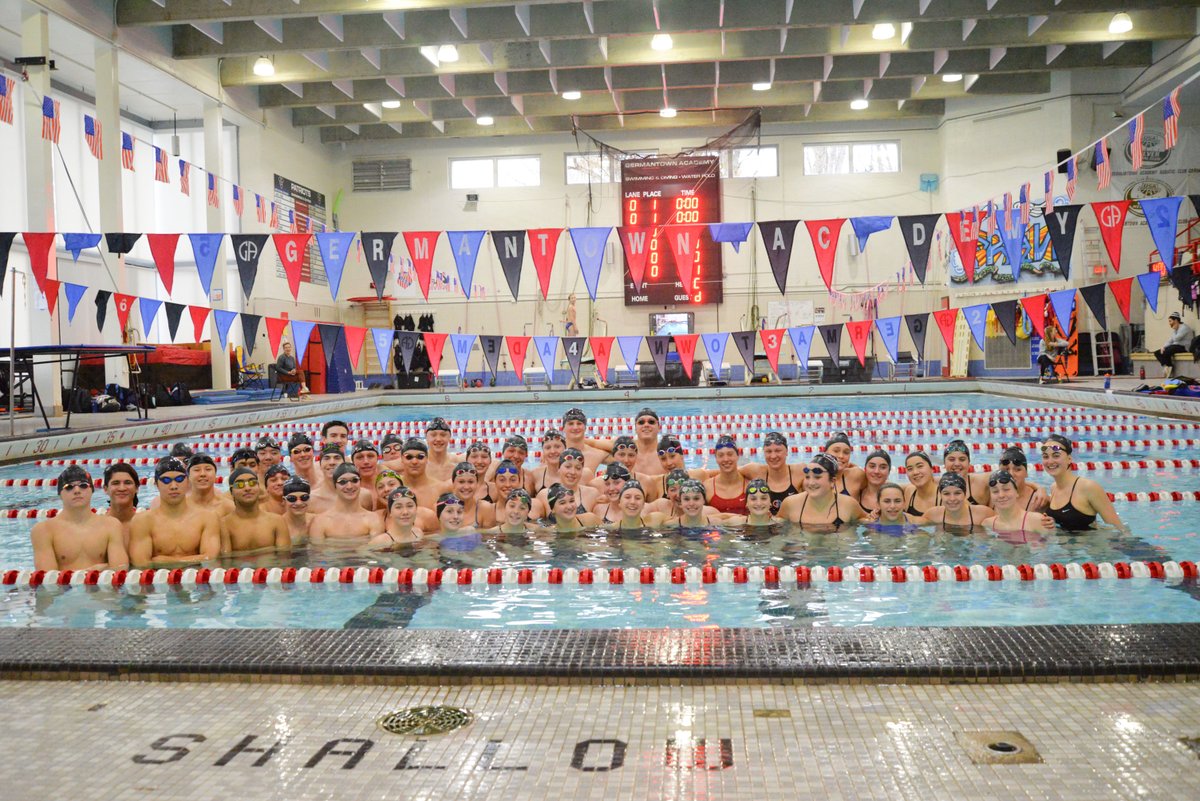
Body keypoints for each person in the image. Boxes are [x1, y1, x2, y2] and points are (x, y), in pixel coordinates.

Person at [31, 466, 128, 571]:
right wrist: (99, 569)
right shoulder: (43, 530)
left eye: (83, 485)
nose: (77, 490)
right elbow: (47, 578)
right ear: (60, 494)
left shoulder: (111, 525)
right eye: (69, 487)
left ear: (92, 490)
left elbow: (121, 570)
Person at [128, 458, 221, 566]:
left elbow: (210, 557)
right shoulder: (142, 521)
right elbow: (141, 563)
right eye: (166, 480)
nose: (173, 486)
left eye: (179, 479)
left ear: (187, 482)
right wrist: (195, 559)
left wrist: (165, 561)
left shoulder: (207, 517)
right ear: (156, 484)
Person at [1041, 434, 1124, 530]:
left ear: (1069, 459)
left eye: (1056, 456)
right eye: (1045, 456)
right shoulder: (1053, 488)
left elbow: (1118, 528)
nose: (1050, 461)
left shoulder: (1088, 487)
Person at [778, 454, 866, 531]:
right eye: (807, 477)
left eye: (817, 477)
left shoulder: (848, 505)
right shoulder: (791, 504)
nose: (811, 483)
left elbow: (869, 522)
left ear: (832, 481)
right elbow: (774, 525)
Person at [219, 467, 291, 556]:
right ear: (231, 491)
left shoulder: (277, 521)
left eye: (252, 483)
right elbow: (226, 563)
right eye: (240, 485)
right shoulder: (224, 525)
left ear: (258, 487)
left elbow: (285, 560)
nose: (247, 488)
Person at [309, 464, 384, 541]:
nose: (349, 486)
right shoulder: (320, 521)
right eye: (342, 482)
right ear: (335, 486)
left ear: (360, 483)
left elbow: (377, 551)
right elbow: (316, 552)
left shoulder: (373, 519)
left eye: (354, 480)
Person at [738, 432, 803, 515]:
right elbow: (726, 472)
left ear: (786, 451)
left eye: (778, 450)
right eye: (769, 451)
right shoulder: (755, 470)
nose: (773, 456)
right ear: (764, 453)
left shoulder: (799, 472)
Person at [530, 448, 599, 518]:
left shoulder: (592, 494)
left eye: (578, 468)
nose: (573, 472)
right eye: (568, 467)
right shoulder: (544, 495)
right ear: (559, 468)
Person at [981, 470, 1055, 537]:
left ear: (1016, 493)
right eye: (995, 491)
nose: (1001, 495)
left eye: (1006, 489)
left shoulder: (1038, 521)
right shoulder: (988, 524)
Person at [915, 473, 992, 532]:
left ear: (965, 494)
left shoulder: (983, 514)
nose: (952, 499)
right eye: (946, 494)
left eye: (957, 493)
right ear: (940, 495)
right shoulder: (932, 515)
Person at [393, 437, 451, 511]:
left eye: (420, 457)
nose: (414, 462)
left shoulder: (440, 489)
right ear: (401, 459)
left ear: (427, 459)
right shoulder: (392, 487)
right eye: (409, 457)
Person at [704, 436, 749, 515]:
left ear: (737, 456)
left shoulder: (748, 485)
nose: (726, 459)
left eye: (730, 454)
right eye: (721, 455)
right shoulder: (707, 487)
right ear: (716, 459)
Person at [994, 447, 1047, 511]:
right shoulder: (990, 495)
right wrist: (1039, 487)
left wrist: (1040, 488)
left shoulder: (1037, 500)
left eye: (1017, 469)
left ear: (1026, 473)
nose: (1011, 474)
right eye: (1006, 469)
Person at [102, 462, 140, 549]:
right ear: (105, 489)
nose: (122, 488)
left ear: (137, 488)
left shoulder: (146, 525)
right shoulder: (98, 527)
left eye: (128, 483)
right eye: (116, 483)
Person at [942, 439, 990, 507]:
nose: (957, 464)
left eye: (962, 459)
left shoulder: (981, 483)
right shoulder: (936, 485)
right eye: (951, 459)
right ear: (944, 463)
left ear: (969, 463)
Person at [308, 443, 348, 514]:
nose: (332, 462)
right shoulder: (311, 500)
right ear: (320, 464)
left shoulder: (361, 497)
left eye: (337, 458)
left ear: (344, 463)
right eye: (326, 458)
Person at [1154, 311, 1195, 377]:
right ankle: (1166, 366)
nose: (1169, 323)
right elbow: (1170, 340)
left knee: (1168, 350)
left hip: (1184, 347)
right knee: (1157, 352)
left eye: (1170, 321)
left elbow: (1176, 339)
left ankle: (1169, 366)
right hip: (1176, 346)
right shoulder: (1176, 329)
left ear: (1176, 320)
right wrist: (1163, 347)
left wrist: (1175, 329)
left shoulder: (1184, 328)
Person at [901, 452, 939, 517]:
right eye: (910, 469)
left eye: (920, 466)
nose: (915, 472)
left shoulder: (944, 495)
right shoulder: (909, 491)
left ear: (931, 469)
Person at [280, 476, 315, 545]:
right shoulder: (280, 526)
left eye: (304, 497)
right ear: (284, 500)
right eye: (292, 498)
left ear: (309, 498)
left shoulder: (316, 521)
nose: (299, 503)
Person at [424, 417, 461, 482]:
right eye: (433, 435)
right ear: (426, 438)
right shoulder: (418, 464)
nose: (438, 439)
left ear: (449, 437)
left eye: (443, 435)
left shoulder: (458, 462)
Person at [857, 450, 893, 516]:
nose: (876, 471)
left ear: (889, 471)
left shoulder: (896, 496)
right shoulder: (856, 494)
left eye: (883, 467)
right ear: (865, 469)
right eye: (872, 466)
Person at [350, 439, 383, 510]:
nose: (366, 461)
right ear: (353, 462)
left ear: (377, 459)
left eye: (370, 456)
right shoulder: (349, 489)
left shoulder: (388, 485)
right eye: (360, 457)